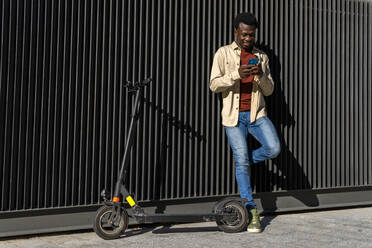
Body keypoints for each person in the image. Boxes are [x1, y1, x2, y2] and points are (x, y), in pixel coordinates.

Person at [209, 12, 281, 233]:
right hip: (232, 117)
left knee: (274, 148)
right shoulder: (223, 53)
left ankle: (243, 163)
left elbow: (269, 90)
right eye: (244, 34)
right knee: (240, 161)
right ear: (236, 33)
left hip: (256, 115)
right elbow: (213, 85)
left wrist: (260, 75)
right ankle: (251, 211)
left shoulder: (262, 57)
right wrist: (236, 74)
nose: (248, 38)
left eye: (251, 35)